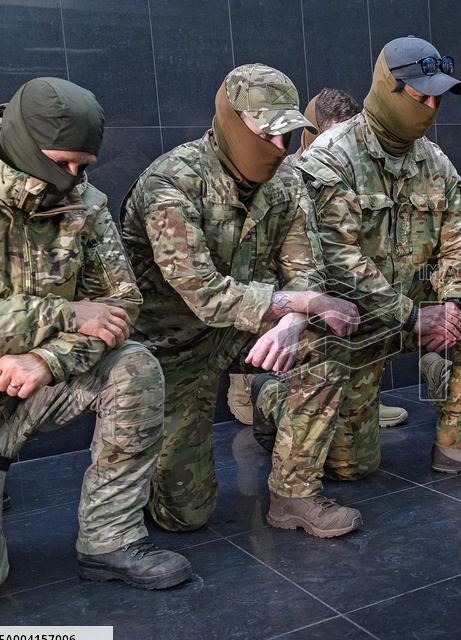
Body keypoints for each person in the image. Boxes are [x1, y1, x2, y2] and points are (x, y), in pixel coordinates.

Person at [0, 78, 191, 604]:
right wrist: (59, 313)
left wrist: (48, 358)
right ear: (21, 143)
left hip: (34, 387)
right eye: (63, 163)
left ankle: (110, 542)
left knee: (133, 366)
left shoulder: (82, 201)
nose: (74, 179)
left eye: (85, 166)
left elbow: (121, 304)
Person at [272, 35, 461, 511]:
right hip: (353, 320)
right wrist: (410, 315)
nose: (430, 108)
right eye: (419, 97)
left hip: (413, 306)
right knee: (352, 467)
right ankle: (275, 403)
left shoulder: (434, 161)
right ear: (389, 89)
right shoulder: (332, 156)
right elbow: (337, 258)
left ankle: (460, 442)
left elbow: (457, 241)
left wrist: (452, 303)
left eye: (436, 100)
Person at [121, 64, 359, 536]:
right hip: (172, 350)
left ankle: (294, 495)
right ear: (231, 121)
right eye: (266, 134)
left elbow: (305, 270)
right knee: (184, 516)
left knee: (325, 342)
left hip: (242, 332)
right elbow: (206, 295)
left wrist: (295, 321)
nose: (278, 147)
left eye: (286, 135)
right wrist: (306, 302)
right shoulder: (172, 181)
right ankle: (148, 455)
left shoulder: (286, 181)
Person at [233, 87, 410, 430]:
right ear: (309, 133)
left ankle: (361, 397)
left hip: (330, 283)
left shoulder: (355, 171)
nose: (339, 144)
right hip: (280, 293)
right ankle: (259, 389)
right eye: (331, 134)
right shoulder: (283, 174)